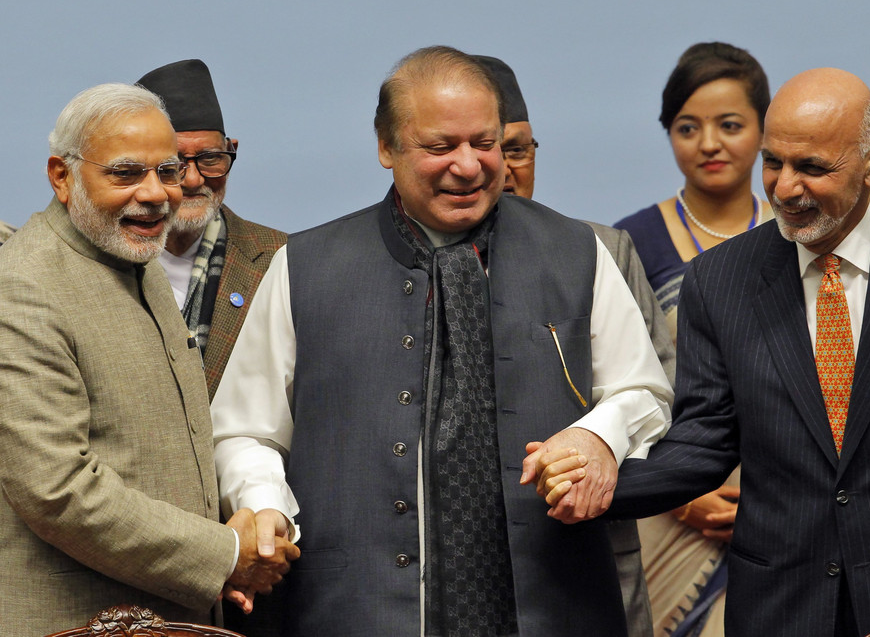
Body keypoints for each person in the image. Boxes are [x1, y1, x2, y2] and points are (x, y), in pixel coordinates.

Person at [212, 45, 673, 636]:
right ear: (386, 148)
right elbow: (245, 428)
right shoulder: (304, 267)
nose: (469, 165)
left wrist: (600, 436)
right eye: (440, 147)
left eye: (485, 143)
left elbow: (644, 391)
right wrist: (266, 503)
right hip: (349, 609)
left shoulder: (579, 252)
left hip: (556, 604)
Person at [533, 67, 870, 637]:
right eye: (773, 162)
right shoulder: (720, 279)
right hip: (782, 607)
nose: (784, 188)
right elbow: (704, 441)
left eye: (811, 168)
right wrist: (602, 481)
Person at [0, 83, 299, 637]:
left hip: (170, 617)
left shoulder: (133, 258)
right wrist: (224, 553)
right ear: (61, 176)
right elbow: (57, 489)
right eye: (125, 173)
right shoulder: (21, 286)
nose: (159, 192)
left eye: (165, 171)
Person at [474, 53, 675, 637]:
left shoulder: (602, 250)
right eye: (491, 150)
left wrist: (599, 446)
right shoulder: (410, 261)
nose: (506, 170)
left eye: (519, 150)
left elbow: (661, 393)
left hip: (589, 546)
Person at [612, 42, 772, 636]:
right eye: (688, 127)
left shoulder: (799, 236)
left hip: (787, 507)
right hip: (667, 509)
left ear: (762, 128)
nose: (709, 143)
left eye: (729, 125)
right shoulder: (631, 243)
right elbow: (615, 386)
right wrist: (683, 495)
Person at [137, 59, 287, 400]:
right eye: (173, 163)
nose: (193, 179)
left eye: (210, 158)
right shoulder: (102, 260)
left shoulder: (281, 259)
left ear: (232, 149)